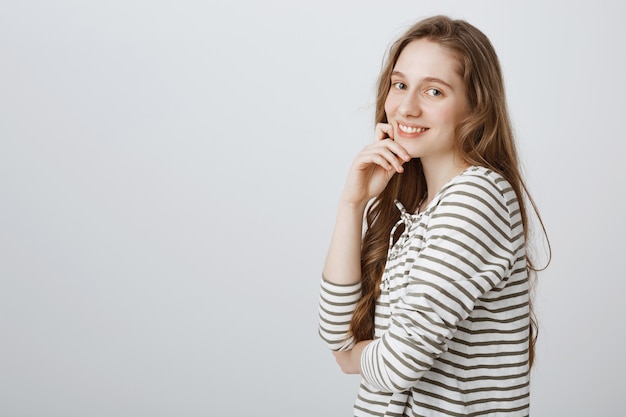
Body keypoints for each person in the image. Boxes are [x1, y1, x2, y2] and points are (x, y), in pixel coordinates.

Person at [318, 15, 549, 416]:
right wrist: (351, 204)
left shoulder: (478, 198)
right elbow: (337, 335)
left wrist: (354, 359)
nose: (406, 107)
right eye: (400, 84)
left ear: (475, 105)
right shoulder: (420, 208)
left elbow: (395, 363)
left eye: (434, 92)